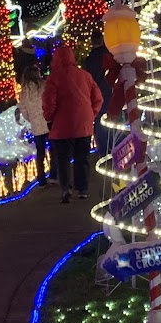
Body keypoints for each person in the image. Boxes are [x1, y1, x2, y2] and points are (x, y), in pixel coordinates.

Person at [42, 42, 103, 203]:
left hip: (61, 126)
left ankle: (66, 188)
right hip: (83, 124)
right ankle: (82, 189)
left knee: (63, 159)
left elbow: (49, 101)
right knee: (82, 158)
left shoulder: (54, 78)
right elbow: (98, 98)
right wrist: (91, 114)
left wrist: (49, 117)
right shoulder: (85, 76)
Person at [16, 63, 50, 186]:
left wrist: (30, 118)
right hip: (48, 121)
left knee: (40, 152)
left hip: (36, 125)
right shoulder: (44, 85)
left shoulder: (24, 91)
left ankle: (41, 178)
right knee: (54, 149)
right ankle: (54, 174)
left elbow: (23, 108)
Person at [81, 31, 114, 155]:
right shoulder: (108, 55)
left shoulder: (89, 60)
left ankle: (104, 150)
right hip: (109, 92)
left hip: (97, 95)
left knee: (100, 122)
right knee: (112, 119)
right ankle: (114, 147)